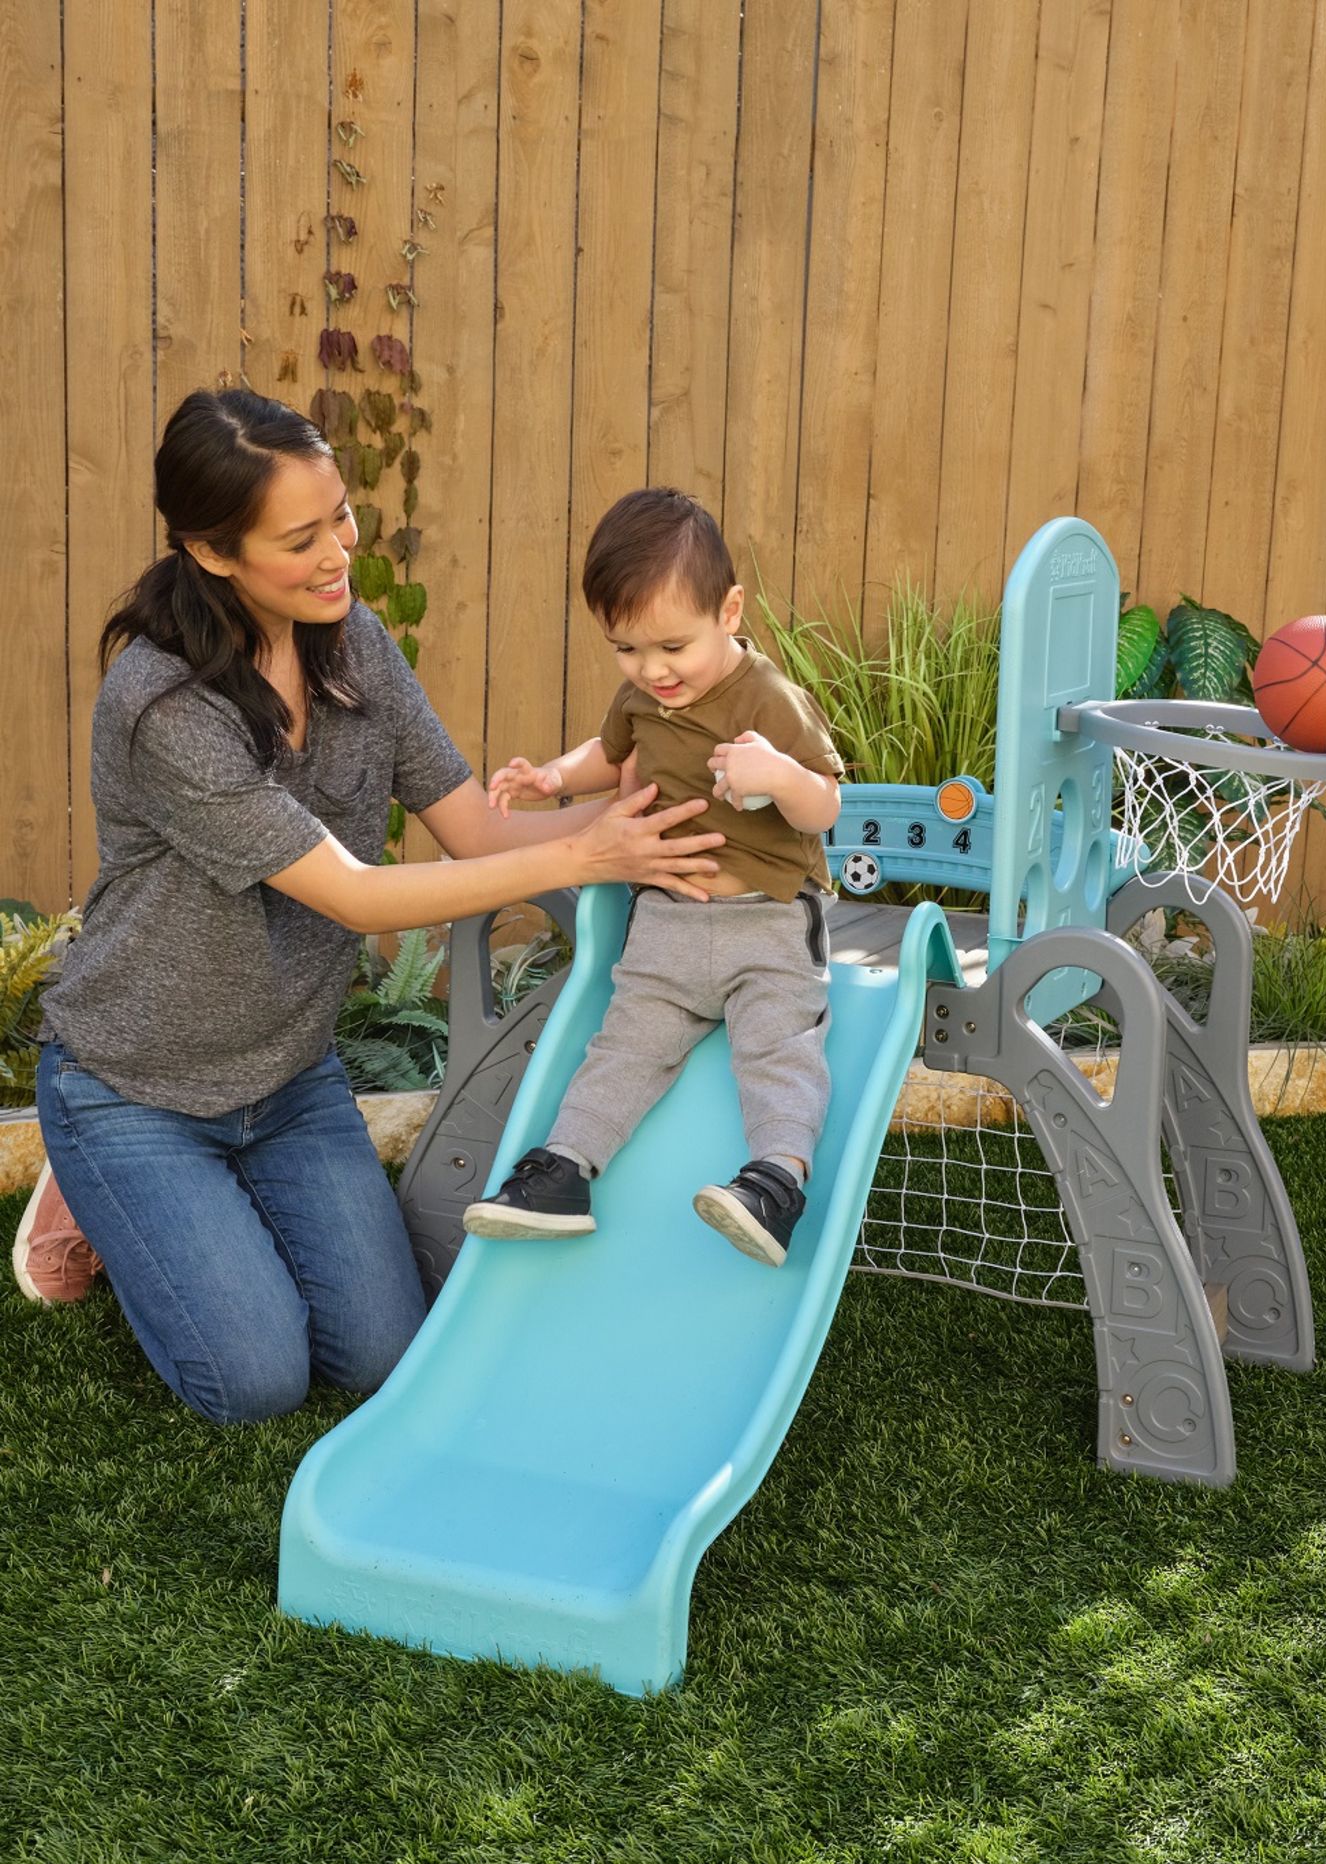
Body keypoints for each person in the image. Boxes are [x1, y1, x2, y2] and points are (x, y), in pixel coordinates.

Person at [25, 389, 727, 1422]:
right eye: (300, 538)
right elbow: (354, 897)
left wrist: (640, 819)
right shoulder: (160, 703)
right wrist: (582, 850)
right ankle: (96, 1184)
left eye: (340, 517)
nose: (337, 552)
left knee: (382, 1354)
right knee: (255, 1383)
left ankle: (199, 1213)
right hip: (137, 1084)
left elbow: (478, 831)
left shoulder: (353, 642)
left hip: (290, 1075)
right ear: (213, 552)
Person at [461, 488, 843, 1267]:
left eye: (672, 646)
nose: (652, 669)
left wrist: (776, 771)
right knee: (623, 1049)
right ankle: (563, 1171)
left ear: (729, 612)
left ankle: (776, 1182)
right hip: (668, 922)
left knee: (779, 1049)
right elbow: (607, 755)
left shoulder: (768, 698)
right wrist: (551, 779)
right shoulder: (641, 695)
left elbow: (824, 806)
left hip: (766, 920)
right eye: (628, 649)